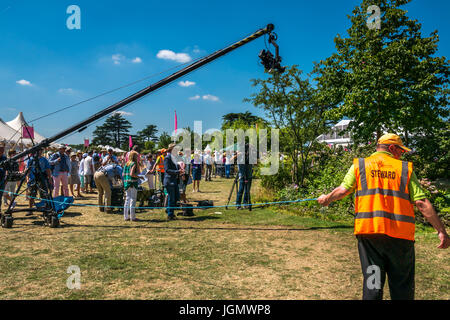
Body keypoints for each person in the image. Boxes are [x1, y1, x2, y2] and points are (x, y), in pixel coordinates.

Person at [317, 133, 450, 300]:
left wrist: (326, 199)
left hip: (370, 237)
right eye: (401, 150)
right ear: (392, 148)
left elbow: (343, 190)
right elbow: (421, 202)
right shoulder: (404, 169)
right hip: (400, 239)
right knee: (402, 287)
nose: (402, 154)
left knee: (373, 284)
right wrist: (441, 231)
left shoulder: (360, 165)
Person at [26, 148, 53, 213]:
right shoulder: (31, 159)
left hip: (42, 179)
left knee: (44, 194)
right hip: (32, 179)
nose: (40, 152)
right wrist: (27, 179)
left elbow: (48, 169)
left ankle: (45, 208)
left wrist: (49, 179)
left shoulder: (44, 159)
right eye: (38, 150)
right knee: (32, 194)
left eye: (41, 150)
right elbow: (28, 170)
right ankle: (30, 209)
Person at [164, 143, 182, 220]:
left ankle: (169, 210)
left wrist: (180, 170)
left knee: (176, 197)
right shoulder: (167, 158)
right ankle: (170, 215)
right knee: (172, 198)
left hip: (174, 180)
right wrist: (177, 171)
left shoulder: (173, 157)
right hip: (169, 180)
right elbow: (167, 170)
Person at [123, 151, 142, 221]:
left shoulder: (126, 164)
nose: (138, 157)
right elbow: (132, 174)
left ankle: (126, 216)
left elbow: (123, 174)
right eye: (137, 156)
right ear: (134, 157)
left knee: (127, 199)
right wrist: (139, 177)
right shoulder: (134, 164)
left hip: (126, 183)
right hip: (133, 183)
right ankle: (132, 217)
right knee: (133, 200)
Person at [235, 144, 253, 210]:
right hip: (242, 176)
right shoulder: (241, 157)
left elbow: (254, 163)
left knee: (247, 190)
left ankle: (245, 204)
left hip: (249, 175)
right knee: (241, 189)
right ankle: (238, 204)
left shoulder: (250, 156)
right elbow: (240, 166)